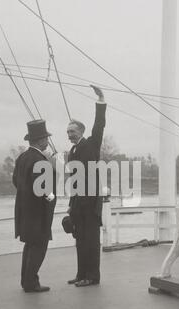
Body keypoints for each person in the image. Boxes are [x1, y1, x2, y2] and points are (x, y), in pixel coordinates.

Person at [67, 85, 107, 287]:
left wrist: (100, 100)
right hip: (77, 204)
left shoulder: (91, 144)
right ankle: (81, 273)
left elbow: (99, 125)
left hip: (90, 204)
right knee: (80, 240)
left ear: (81, 132)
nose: (69, 135)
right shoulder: (72, 152)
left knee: (91, 242)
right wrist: (71, 204)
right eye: (68, 132)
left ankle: (92, 277)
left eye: (72, 131)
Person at [13, 120, 56, 293]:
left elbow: (16, 181)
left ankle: (26, 281)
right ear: (40, 140)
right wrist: (52, 197)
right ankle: (31, 283)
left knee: (29, 246)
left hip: (24, 212)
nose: (47, 141)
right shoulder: (40, 160)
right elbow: (44, 190)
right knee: (39, 247)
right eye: (46, 138)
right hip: (38, 215)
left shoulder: (22, 158)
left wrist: (27, 195)